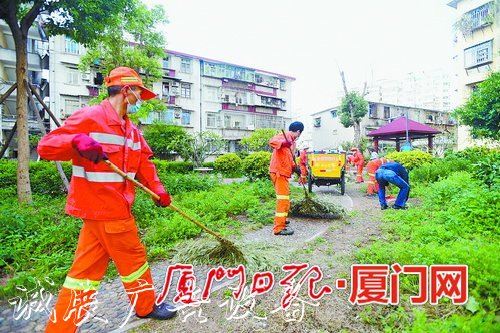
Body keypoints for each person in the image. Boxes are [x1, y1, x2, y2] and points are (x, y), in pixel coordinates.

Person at [37, 67, 177, 332]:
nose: (139, 99)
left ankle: (60, 328)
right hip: (106, 209)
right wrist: (76, 142)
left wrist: (158, 190)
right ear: (126, 91)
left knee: (84, 274)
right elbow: (45, 147)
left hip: (108, 210)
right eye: (137, 92)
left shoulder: (131, 130)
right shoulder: (90, 117)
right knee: (134, 259)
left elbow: (145, 164)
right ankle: (146, 306)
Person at [269, 121, 304, 236]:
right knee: (283, 199)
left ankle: (283, 219)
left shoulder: (292, 143)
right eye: (300, 133)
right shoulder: (286, 136)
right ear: (298, 131)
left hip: (283, 172)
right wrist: (284, 143)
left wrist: (295, 168)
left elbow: (288, 158)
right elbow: (272, 141)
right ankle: (278, 228)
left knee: (285, 199)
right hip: (279, 172)